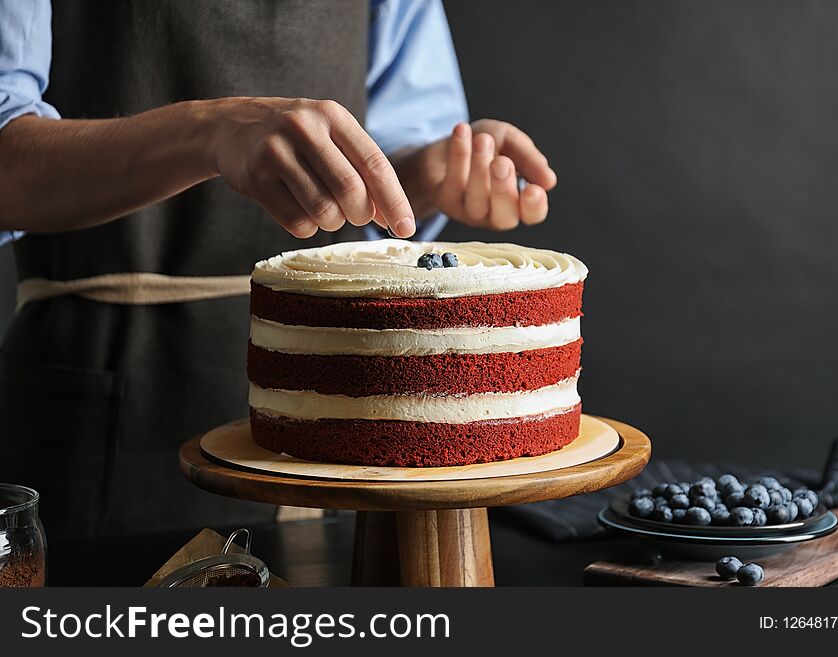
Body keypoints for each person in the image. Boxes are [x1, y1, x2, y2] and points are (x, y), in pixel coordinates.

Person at [0, 0, 557, 541]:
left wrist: (430, 176)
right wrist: (208, 130)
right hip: (95, 412)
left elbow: (373, 176)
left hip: (342, 430)